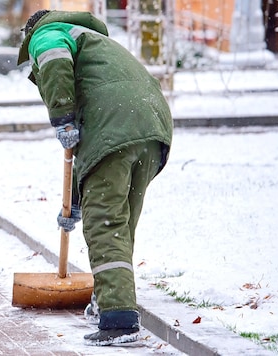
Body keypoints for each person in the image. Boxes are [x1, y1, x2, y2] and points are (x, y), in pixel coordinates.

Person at [18, 10, 173, 346]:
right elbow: (98, 138)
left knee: (105, 222)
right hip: (151, 125)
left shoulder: (47, 34)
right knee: (120, 220)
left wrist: (61, 114)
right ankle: (108, 299)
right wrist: (73, 202)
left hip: (115, 126)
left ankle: (119, 321)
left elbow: (53, 59)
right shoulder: (95, 42)